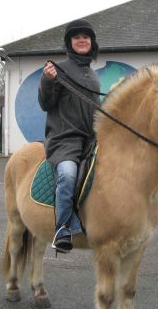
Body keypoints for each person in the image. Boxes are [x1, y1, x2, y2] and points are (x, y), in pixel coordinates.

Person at [38, 19, 101, 254]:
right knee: (67, 174)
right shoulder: (58, 69)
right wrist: (47, 80)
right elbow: (45, 103)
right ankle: (62, 228)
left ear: (92, 42)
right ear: (69, 43)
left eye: (86, 36)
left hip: (91, 141)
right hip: (64, 141)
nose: (82, 39)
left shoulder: (92, 74)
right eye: (77, 37)